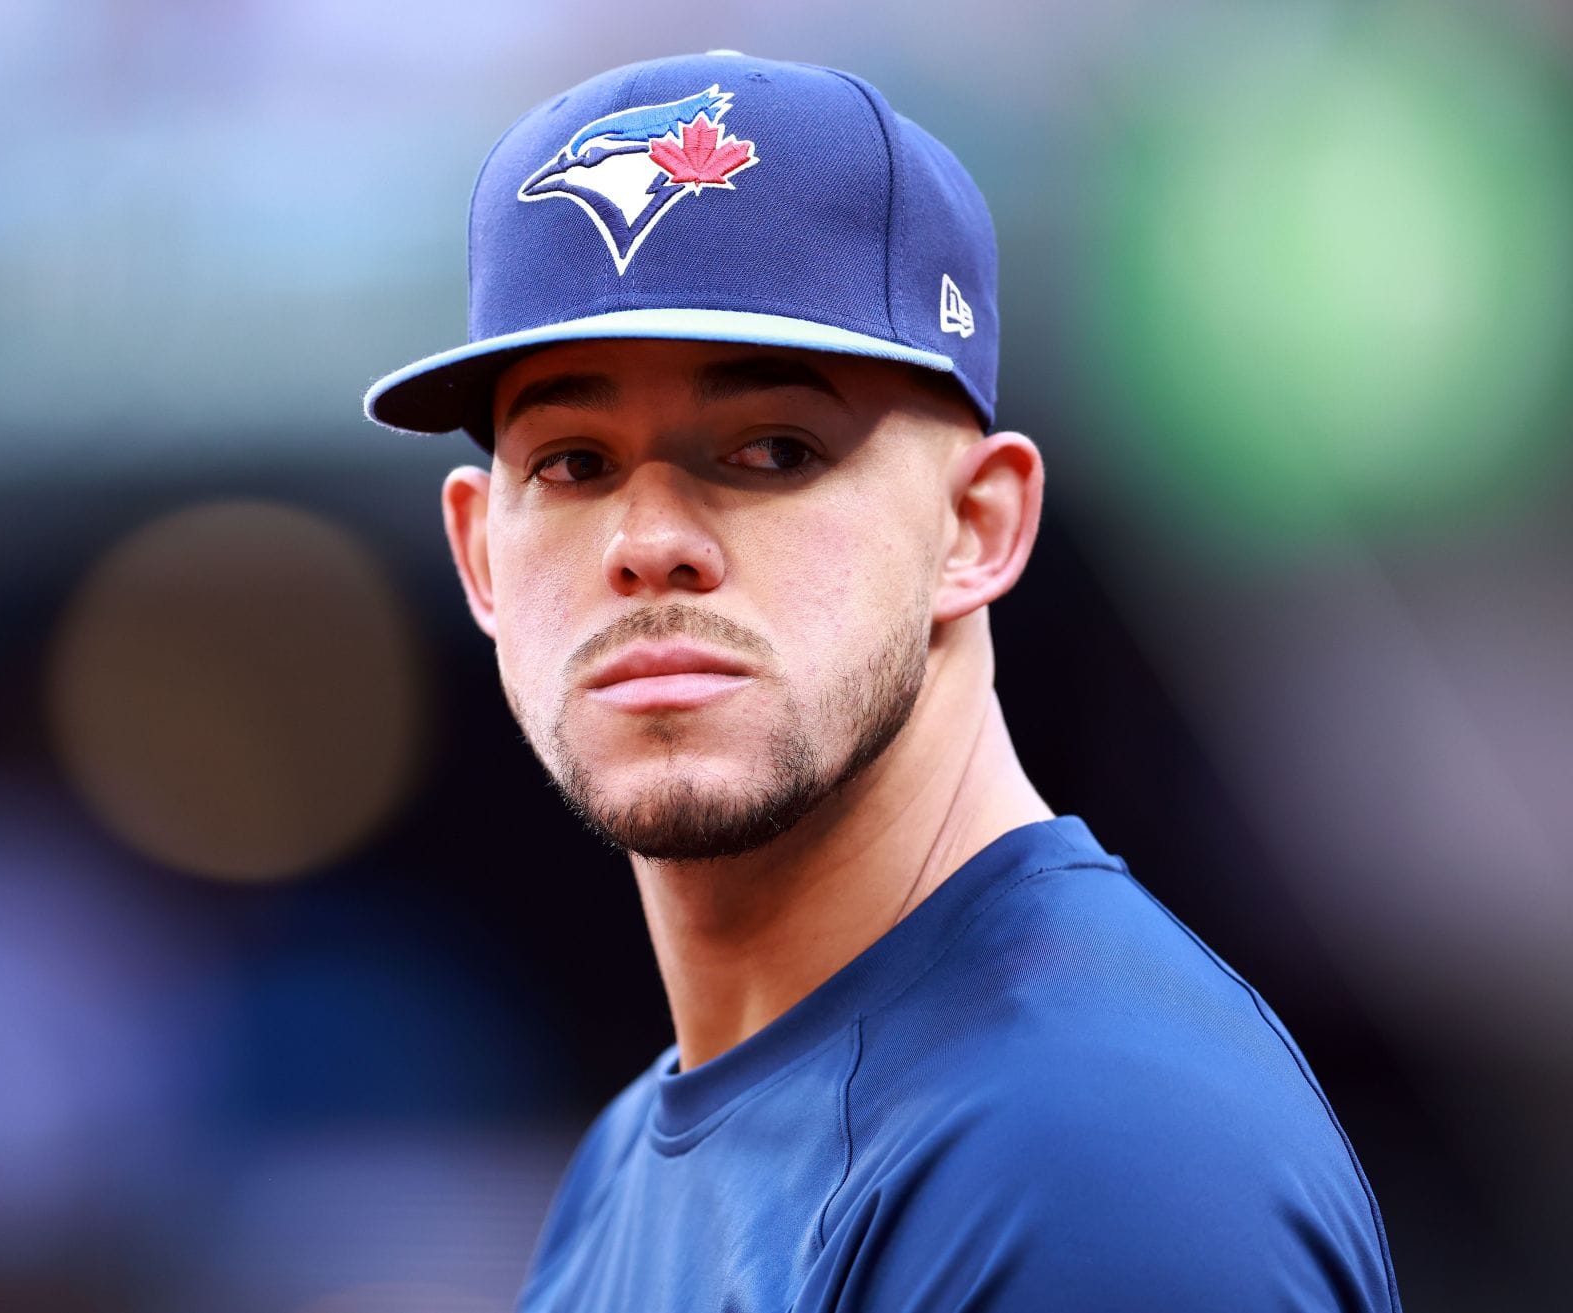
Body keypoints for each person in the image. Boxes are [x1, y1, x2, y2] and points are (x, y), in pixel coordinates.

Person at [363, 51, 1401, 1312]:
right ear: (479, 552)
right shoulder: (634, 1152)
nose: (648, 539)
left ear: (977, 525)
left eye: (772, 447)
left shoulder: (1084, 1151)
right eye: (575, 461)